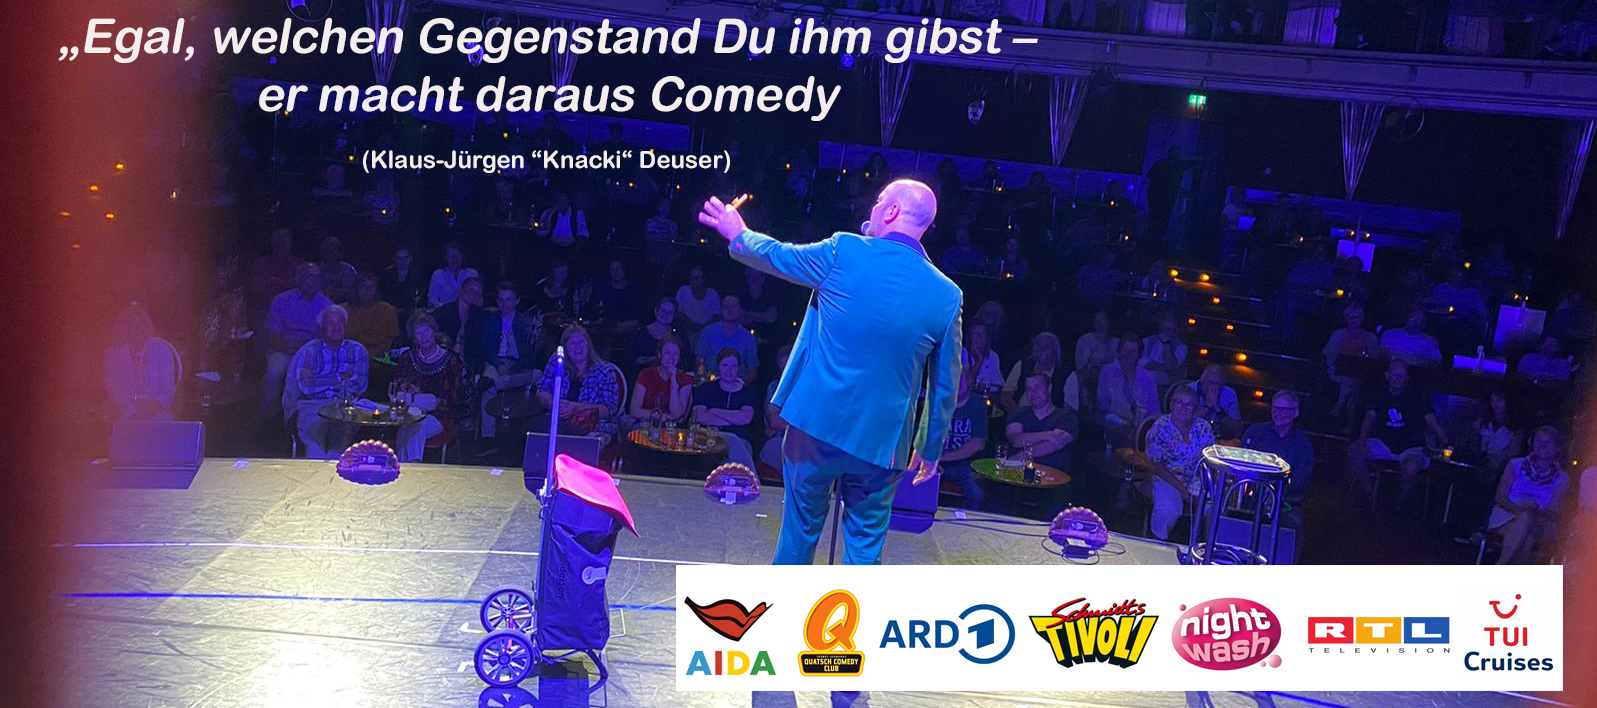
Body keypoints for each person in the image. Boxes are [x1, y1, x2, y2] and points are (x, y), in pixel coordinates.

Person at [697, 178, 963, 566]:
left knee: (798, 536)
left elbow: (779, 256)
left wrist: (738, 233)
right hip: (882, 443)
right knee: (865, 549)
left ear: (891, 211)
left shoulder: (845, 250)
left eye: (879, 202)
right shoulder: (947, 294)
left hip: (815, 427)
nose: (873, 208)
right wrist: (930, 446)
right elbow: (945, 384)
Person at [1349, 359, 1449, 507]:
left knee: (1411, 467)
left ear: (1407, 378)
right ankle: (1369, 494)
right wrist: (1362, 440)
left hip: (1410, 447)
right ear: (1387, 375)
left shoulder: (1418, 397)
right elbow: (1369, 419)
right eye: (1394, 375)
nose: (1397, 379)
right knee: (1355, 452)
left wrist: (1446, 442)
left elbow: (1432, 421)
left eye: (1401, 376)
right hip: (1382, 443)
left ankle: (1400, 502)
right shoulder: (1378, 394)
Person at [286, 305, 368, 459]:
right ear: (322, 327)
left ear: (346, 326)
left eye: (340, 323)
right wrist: (339, 377)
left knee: (337, 449)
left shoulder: (358, 350)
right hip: (312, 405)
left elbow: (359, 385)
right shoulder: (310, 351)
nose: (336, 327)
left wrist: (319, 380)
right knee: (315, 447)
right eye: (330, 323)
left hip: (344, 406)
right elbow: (306, 387)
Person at [1490, 426, 1571, 565]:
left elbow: (1554, 512)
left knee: (1529, 525)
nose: (1542, 445)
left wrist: (1532, 514)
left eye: (1548, 442)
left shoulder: (1562, 477)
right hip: (1506, 515)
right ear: (1532, 443)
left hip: (1540, 521)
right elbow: (1500, 497)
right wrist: (1523, 513)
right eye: (1538, 441)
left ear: (1557, 448)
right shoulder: (1515, 464)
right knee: (1528, 539)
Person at [260, 264, 333, 419]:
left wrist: (307, 351)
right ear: (299, 278)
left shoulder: (326, 304)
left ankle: (309, 418)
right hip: (283, 350)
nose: (313, 281)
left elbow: (329, 338)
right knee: (275, 371)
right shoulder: (282, 300)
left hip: (313, 353)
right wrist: (295, 347)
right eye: (309, 277)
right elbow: (273, 337)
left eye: (317, 277)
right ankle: (268, 419)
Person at [1146, 386, 1216, 541]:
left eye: (1189, 405)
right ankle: (1156, 543)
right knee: (1169, 510)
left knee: (1215, 509)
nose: (1183, 408)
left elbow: (1211, 459)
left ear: (1196, 409)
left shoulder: (1203, 427)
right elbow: (1157, 466)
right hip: (1167, 478)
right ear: (1171, 404)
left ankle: (1209, 546)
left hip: (1198, 479)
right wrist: (1183, 490)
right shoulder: (1160, 427)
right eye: (1179, 403)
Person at [476, 281, 541, 444]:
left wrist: (514, 367)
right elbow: (487, 349)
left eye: (509, 299)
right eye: (501, 299)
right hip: (496, 363)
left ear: (517, 300)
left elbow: (529, 353)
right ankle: (488, 437)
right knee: (487, 385)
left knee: (538, 376)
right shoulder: (491, 322)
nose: (504, 304)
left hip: (518, 366)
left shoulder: (525, 323)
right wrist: (499, 365)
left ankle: (530, 435)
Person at [393, 312, 463, 462]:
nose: (423, 336)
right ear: (414, 338)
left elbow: (454, 397)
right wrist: (408, 389)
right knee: (405, 429)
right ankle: (405, 468)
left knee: (416, 426)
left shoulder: (451, 360)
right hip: (409, 414)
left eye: (426, 330)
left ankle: (411, 466)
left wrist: (431, 400)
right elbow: (397, 387)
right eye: (418, 332)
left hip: (440, 416)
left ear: (434, 332)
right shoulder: (407, 357)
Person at [535, 324, 622, 443]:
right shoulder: (556, 361)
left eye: (581, 342)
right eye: (572, 343)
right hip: (558, 422)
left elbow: (609, 409)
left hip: (593, 427)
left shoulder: (605, 371)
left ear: (589, 344)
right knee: (535, 428)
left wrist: (576, 408)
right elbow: (542, 390)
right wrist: (553, 404)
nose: (577, 346)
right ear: (565, 347)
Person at [1241, 391, 1315, 528]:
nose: (1278, 413)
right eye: (1276, 408)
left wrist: (1274, 489)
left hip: (1284, 500)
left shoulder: (1302, 443)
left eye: (1284, 410)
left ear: (1295, 412)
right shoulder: (1255, 432)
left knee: (1294, 522)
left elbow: (1301, 479)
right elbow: (1242, 464)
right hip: (1251, 496)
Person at [104, 303, 180, 420]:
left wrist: (153, 407)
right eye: (132, 325)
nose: (138, 328)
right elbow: (114, 391)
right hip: (126, 416)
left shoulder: (162, 349)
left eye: (141, 324)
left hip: (158, 415)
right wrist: (133, 412)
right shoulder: (113, 355)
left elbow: (168, 389)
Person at [691, 348, 760, 470]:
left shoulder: (747, 391)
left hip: (741, 440)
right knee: (730, 439)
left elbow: (745, 418)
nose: (729, 370)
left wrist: (715, 411)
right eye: (725, 365)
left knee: (733, 445)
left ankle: (744, 477)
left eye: (734, 366)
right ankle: (750, 477)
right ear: (718, 366)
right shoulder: (706, 389)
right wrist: (733, 419)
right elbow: (699, 416)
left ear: (738, 368)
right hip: (710, 438)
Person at [1005, 371, 1079, 477]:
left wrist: (1023, 455)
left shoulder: (1066, 417)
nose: (1033, 392)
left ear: (1049, 388)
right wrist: (1049, 435)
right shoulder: (1018, 413)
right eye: (1028, 389)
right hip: (1018, 475)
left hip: (1054, 477)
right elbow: (1016, 439)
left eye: (1037, 387)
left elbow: (1056, 443)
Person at [940, 357, 990, 510]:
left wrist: (941, 458)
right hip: (936, 466)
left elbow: (977, 444)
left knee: (977, 493)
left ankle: (963, 522)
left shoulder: (977, 404)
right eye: (954, 377)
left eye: (962, 378)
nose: (958, 382)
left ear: (970, 382)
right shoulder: (939, 402)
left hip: (967, 466)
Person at [1324, 302, 1380, 427]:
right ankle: (1350, 424)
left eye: (1357, 316)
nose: (1353, 319)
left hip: (1361, 372)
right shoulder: (1337, 334)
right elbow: (1329, 356)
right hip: (1338, 370)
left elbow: (1374, 359)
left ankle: (1339, 406)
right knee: (1350, 381)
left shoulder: (1371, 337)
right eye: (1350, 316)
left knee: (1351, 378)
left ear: (1363, 318)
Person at [1098, 337, 1160, 444]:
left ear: (1139, 354)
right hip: (1115, 425)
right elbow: (1102, 405)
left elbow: (1154, 409)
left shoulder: (1148, 376)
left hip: (1141, 429)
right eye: (1125, 350)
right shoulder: (1107, 371)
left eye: (1133, 351)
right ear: (1119, 351)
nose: (1128, 354)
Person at [631, 334, 692, 425]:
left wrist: (673, 380)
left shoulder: (685, 379)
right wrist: (661, 416)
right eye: (667, 353)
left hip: (670, 428)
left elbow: (676, 415)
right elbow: (634, 411)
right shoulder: (646, 374)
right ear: (659, 355)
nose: (671, 357)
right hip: (645, 425)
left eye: (675, 353)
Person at [695, 295, 759, 381]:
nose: (730, 310)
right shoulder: (707, 332)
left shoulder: (749, 338)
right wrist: (705, 380)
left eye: (733, 307)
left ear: (740, 310)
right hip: (710, 382)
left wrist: (740, 385)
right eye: (726, 307)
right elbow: (699, 360)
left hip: (738, 384)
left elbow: (752, 369)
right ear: (720, 310)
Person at [1003, 332, 1067, 413]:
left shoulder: (1066, 375)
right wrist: (1015, 413)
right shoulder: (1023, 365)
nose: (1040, 351)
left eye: (1045, 347)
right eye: (1038, 347)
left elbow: (1069, 409)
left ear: (1055, 351)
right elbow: (1006, 393)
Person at [628, 297, 691, 374]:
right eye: (663, 311)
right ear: (656, 311)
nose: (666, 315)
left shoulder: (679, 334)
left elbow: (685, 358)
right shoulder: (640, 334)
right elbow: (631, 360)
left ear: (674, 316)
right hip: (643, 376)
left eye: (670, 312)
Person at [1146, 146, 1198, 239]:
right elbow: (1150, 175)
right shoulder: (1165, 164)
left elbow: (1149, 175)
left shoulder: (1173, 164)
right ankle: (1154, 237)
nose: (1176, 154)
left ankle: (1156, 237)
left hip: (1163, 195)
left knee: (1161, 217)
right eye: (1175, 152)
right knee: (1157, 216)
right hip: (1159, 195)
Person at [249, 228, 299, 317]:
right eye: (279, 242)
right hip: (265, 309)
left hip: (291, 310)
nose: (282, 246)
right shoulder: (261, 263)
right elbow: (257, 287)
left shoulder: (298, 264)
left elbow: (301, 286)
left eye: (285, 243)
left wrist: (278, 282)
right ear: (273, 243)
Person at [431, 276, 486, 358]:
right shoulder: (443, 312)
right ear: (461, 289)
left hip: (471, 361)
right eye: (471, 290)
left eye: (477, 292)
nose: (474, 294)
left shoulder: (479, 315)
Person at [759, 344, 794, 471]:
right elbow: (774, 422)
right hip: (780, 439)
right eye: (782, 369)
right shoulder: (774, 388)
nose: (786, 373)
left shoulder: (809, 388)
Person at [345, 273, 399, 356]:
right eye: (363, 286)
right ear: (356, 289)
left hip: (381, 355)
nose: (367, 290)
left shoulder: (387, 309)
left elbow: (392, 338)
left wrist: (376, 353)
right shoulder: (346, 310)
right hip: (353, 354)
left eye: (371, 286)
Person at [1074, 311, 1119, 407]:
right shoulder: (1084, 340)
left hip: (1111, 383)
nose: (1100, 322)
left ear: (1109, 323)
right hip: (1088, 382)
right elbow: (1080, 367)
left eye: (1103, 320)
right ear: (1093, 323)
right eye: (1097, 320)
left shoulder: (1117, 343)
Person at [1474, 389, 1524, 475]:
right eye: (1493, 400)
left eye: (1500, 400)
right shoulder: (1483, 422)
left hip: (1500, 472)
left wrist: (1499, 470)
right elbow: (1473, 442)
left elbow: (1513, 455)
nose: (1495, 404)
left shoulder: (1515, 429)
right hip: (1478, 468)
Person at [1190, 363, 1243, 439]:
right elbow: (1186, 424)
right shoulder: (1189, 390)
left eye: (1217, 384)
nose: (1214, 387)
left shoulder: (1229, 394)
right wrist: (1207, 406)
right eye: (1210, 383)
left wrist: (1218, 409)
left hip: (1219, 438)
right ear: (1202, 380)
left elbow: (1237, 430)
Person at [1140, 312, 1188, 390]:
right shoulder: (1147, 340)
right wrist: (1164, 367)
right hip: (1142, 383)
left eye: (1169, 329)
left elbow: (1171, 366)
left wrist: (1166, 343)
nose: (1166, 332)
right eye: (1164, 328)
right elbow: (1142, 363)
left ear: (1176, 330)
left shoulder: (1181, 348)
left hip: (1165, 388)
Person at [592, 260, 643, 333]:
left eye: (618, 269)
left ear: (624, 270)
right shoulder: (604, 288)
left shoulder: (633, 290)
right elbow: (597, 310)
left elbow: (637, 317)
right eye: (612, 269)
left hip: (627, 327)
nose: (615, 272)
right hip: (606, 327)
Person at [674, 264, 721, 336]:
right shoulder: (683, 291)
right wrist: (692, 325)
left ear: (703, 279)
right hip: (686, 332)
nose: (694, 280)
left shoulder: (712, 294)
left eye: (698, 277)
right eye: (692, 276)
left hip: (708, 333)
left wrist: (703, 327)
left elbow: (717, 316)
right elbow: (678, 312)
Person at [428, 243, 479, 308]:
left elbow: (477, 298)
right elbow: (432, 301)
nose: (454, 259)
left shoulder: (471, 273)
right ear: (445, 259)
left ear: (462, 256)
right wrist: (449, 309)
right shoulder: (437, 275)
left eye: (457, 255)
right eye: (450, 256)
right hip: (444, 311)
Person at [378, 246, 425, 313]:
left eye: (406, 257)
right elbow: (383, 296)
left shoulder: (417, 275)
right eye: (399, 258)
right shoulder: (387, 275)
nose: (403, 261)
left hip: (411, 312)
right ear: (394, 259)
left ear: (410, 258)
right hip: (390, 311)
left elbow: (420, 296)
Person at [316, 236, 358, 303]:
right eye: (328, 251)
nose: (331, 254)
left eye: (334, 250)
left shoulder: (349, 270)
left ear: (339, 252)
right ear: (323, 253)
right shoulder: (316, 271)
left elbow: (354, 291)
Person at [964, 321, 1004, 390]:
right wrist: (979, 361)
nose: (978, 338)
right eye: (975, 334)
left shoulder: (992, 356)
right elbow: (965, 385)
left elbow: (999, 385)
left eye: (981, 334)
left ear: (987, 338)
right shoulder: (962, 353)